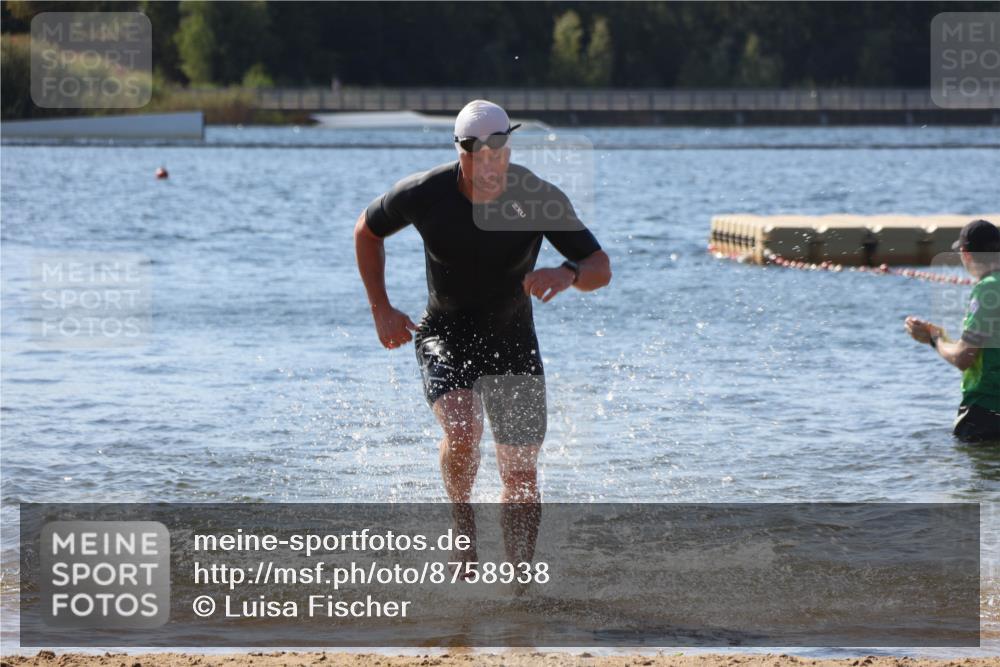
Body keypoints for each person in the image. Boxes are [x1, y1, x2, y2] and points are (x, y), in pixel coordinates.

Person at [354, 100, 611, 569]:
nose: (488, 161)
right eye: (477, 151)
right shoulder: (425, 193)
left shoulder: (537, 197)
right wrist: (381, 309)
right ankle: (462, 522)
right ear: (460, 150)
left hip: (512, 339)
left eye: (498, 149)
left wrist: (569, 272)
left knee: (520, 473)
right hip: (445, 334)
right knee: (462, 428)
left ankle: (519, 588)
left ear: (509, 148)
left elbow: (600, 266)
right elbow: (367, 232)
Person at [905, 219, 1000, 443]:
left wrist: (934, 339)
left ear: (966, 254)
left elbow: (964, 357)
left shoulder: (988, 288)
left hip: (986, 413)